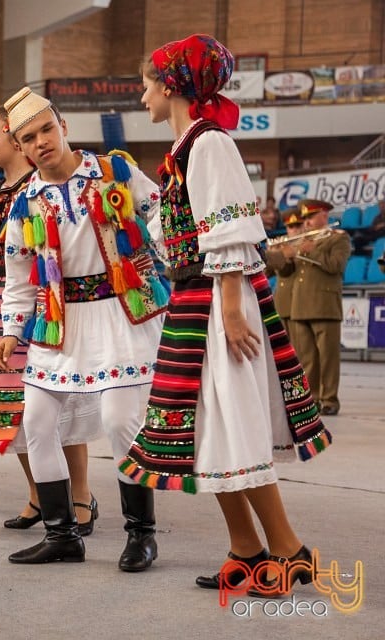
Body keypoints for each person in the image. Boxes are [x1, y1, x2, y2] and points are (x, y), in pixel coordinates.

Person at [122, 34, 332, 596]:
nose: (142, 97)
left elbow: (231, 231)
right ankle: (245, 549)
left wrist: (235, 311)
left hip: (218, 303)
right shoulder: (186, 147)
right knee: (203, 432)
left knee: (232, 427)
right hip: (197, 301)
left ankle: (289, 551)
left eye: (146, 85)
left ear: (170, 86)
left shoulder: (209, 143)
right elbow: (184, 234)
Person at [0, 88, 166, 569]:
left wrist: (168, 256)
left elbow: (163, 215)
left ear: (63, 127)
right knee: (36, 424)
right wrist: (11, 330)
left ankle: (141, 534)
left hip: (120, 315)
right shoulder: (24, 202)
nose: (41, 142)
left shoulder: (116, 172)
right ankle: (62, 534)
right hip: (57, 322)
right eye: (29, 138)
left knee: (118, 422)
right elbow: (17, 278)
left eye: (47, 129)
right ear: (21, 148)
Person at [0, 107, 99, 534]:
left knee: (61, 401)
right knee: (15, 406)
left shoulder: (38, 189)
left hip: (43, 301)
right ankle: (39, 493)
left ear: (15, 142)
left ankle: (81, 496)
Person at [284, 199, 351, 416]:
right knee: (307, 358)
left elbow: (336, 266)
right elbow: (287, 273)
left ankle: (329, 399)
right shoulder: (302, 239)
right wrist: (281, 256)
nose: (307, 222)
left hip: (324, 305)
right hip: (300, 306)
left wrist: (311, 251)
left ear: (324, 215)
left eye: (311, 217)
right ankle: (311, 398)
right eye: (306, 219)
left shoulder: (338, 238)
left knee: (328, 357)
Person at [263, 208, 305, 330]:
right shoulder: (282, 245)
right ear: (286, 228)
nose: (295, 229)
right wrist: (274, 255)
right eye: (291, 226)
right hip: (282, 303)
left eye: (298, 225)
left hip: (301, 304)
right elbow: (267, 273)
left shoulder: (310, 244)